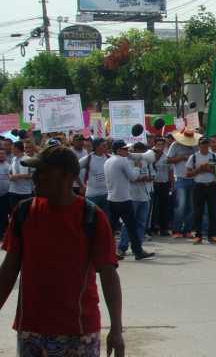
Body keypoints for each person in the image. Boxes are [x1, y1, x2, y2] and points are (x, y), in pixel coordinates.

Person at [0, 145, 125, 357]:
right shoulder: (24, 212)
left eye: (43, 172)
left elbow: (109, 274)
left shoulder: (92, 217)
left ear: (67, 176)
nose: (36, 178)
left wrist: (116, 329)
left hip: (78, 332)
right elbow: (8, 271)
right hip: (32, 330)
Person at [104, 140, 155, 260]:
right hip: (123, 199)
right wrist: (137, 167)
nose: (127, 151)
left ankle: (110, 252)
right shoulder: (122, 160)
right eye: (125, 149)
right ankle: (137, 251)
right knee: (131, 226)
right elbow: (133, 176)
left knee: (112, 229)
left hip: (112, 198)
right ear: (118, 150)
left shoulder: (108, 160)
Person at [117, 142, 153, 257]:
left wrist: (147, 178)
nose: (141, 153)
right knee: (128, 223)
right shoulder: (127, 162)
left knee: (141, 224)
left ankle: (137, 249)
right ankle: (122, 248)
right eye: (139, 150)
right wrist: (138, 173)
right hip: (132, 196)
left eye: (143, 151)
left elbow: (150, 175)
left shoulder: (145, 161)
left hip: (144, 196)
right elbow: (131, 178)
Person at [186, 136, 216, 245]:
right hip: (199, 186)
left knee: (213, 211)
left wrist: (212, 170)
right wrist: (199, 169)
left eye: (206, 144)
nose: (205, 146)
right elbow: (187, 174)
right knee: (198, 212)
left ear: (209, 145)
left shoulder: (215, 157)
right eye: (202, 144)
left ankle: (212, 235)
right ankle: (198, 235)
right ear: (199, 145)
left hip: (212, 186)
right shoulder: (193, 157)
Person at [167, 128, 199, 238]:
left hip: (194, 178)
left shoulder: (196, 146)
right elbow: (168, 160)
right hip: (180, 178)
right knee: (181, 205)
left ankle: (188, 230)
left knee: (191, 206)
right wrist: (181, 158)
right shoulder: (175, 145)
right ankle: (176, 230)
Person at [79, 138, 110, 215]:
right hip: (92, 196)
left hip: (107, 195)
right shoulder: (88, 158)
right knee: (91, 220)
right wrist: (81, 185)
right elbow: (73, 169)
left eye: (106, 145)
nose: (106, 147)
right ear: (96, 147)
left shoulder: (109, 157)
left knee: (106, 219)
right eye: (104, 145)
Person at [152, 137, 173, 236]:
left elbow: (170, 171)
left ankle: (163, 228)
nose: (160, 147)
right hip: (153, 183)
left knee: (163, 206)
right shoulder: (150, 155)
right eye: (158, 145)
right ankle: (152, 227)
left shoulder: (166, 156)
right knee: (153, 207)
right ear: (155, 144)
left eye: (162, 145)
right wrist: (156, 156)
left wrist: (171, 184)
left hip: (164, 183)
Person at [8, 141, 33, 212]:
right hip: (13, 190)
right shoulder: (13, 159)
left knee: (23, 214)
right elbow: (10, 172)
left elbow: (32, 175)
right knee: (14, 213)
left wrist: (19, 176)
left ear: (17, 149)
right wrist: (10, 176)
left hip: (24, 192)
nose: (11, 150)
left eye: (12, 148)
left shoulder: (28, 159)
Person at [0, 149, 10, 239]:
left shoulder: (8, 166)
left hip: (5, 194)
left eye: (3, 154)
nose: (1, 156)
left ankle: (4, 233)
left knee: (4, 214)